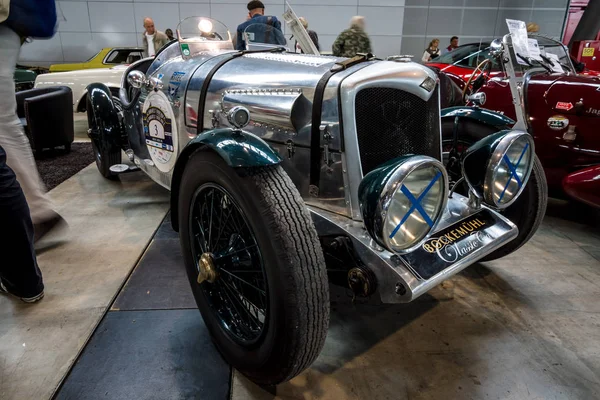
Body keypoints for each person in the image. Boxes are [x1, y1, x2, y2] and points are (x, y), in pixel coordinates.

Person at [0, 1, 67, 243]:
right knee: (4, 125)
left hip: (5, 20)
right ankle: (38, 210)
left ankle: (38, 211)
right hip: (10, 23)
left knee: (2, 125)